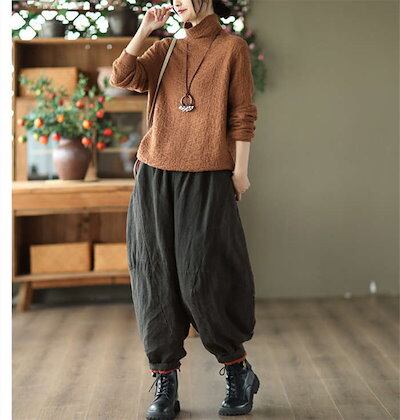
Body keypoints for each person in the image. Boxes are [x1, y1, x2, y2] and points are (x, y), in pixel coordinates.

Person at [110, 0, 259, 418]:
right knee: (154, 276)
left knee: (205, 276)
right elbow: (122, 75)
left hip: (207, 175)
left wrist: (240, 171)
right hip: (155, 175)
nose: (176, 1)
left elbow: (242, 113)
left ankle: (238, 370)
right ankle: (165, 382)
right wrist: (145, 30)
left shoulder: (231, 48)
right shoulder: (166, 49)